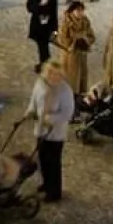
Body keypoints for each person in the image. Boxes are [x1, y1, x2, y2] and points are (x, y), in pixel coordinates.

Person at [23, 61, 75, 203]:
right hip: (40, 129)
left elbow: (67, 113)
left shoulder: (65, 90)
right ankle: (46, 184)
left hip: (56, 133)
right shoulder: (40, 84)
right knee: (43, 159)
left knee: (53, 161)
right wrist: (29, 113)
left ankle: (54, 191)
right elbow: (33, 100)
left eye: (58, 74)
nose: (54, 77)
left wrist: (50, 119)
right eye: (51, 73)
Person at [56, 1, 95, 94]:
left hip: (82, 56)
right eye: (78, 10)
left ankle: (80, 98)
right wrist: (75, 39)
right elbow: (62, 40)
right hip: (70, 58)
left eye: (82, 10)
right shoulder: (66, 23)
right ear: (72, 11)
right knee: (70, 81)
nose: (80, 13)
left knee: (82, 80)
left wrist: (85, 39)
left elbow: (92, 37)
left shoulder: (85, 22)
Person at [26, 0, 59, 67]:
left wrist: (37, 7)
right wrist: (37, 6)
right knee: (41, 45)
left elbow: (47, 9)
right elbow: (30, 4)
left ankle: (45, 64)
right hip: (37, 22)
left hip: (45, 24)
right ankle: (44, 63)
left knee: (43, 45)